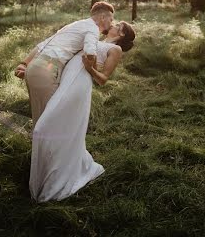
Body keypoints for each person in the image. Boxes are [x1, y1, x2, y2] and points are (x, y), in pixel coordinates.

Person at [29, 21, 136, 202]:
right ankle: (53, 166)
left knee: (44, 127)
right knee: (55, 126)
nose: (112, 23)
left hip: (79, 85)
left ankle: (59, 176)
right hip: (64, 81)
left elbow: (103, 79)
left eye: (117, 24)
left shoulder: (114, 49)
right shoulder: (92, 38)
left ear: (122, 33)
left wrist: (90, 68)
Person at [14, 1, 114, 127]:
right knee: (51, 121)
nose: (112, 24)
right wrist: (93, 70)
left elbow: (43, 44)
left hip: (35, 68)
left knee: (41, 120)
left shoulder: (75, 25)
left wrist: (24, 64)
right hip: (47, 71)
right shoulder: (93, 28)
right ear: (102, 17)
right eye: (111, 19)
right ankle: (49, 146)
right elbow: (90, 53)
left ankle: (42, 146)